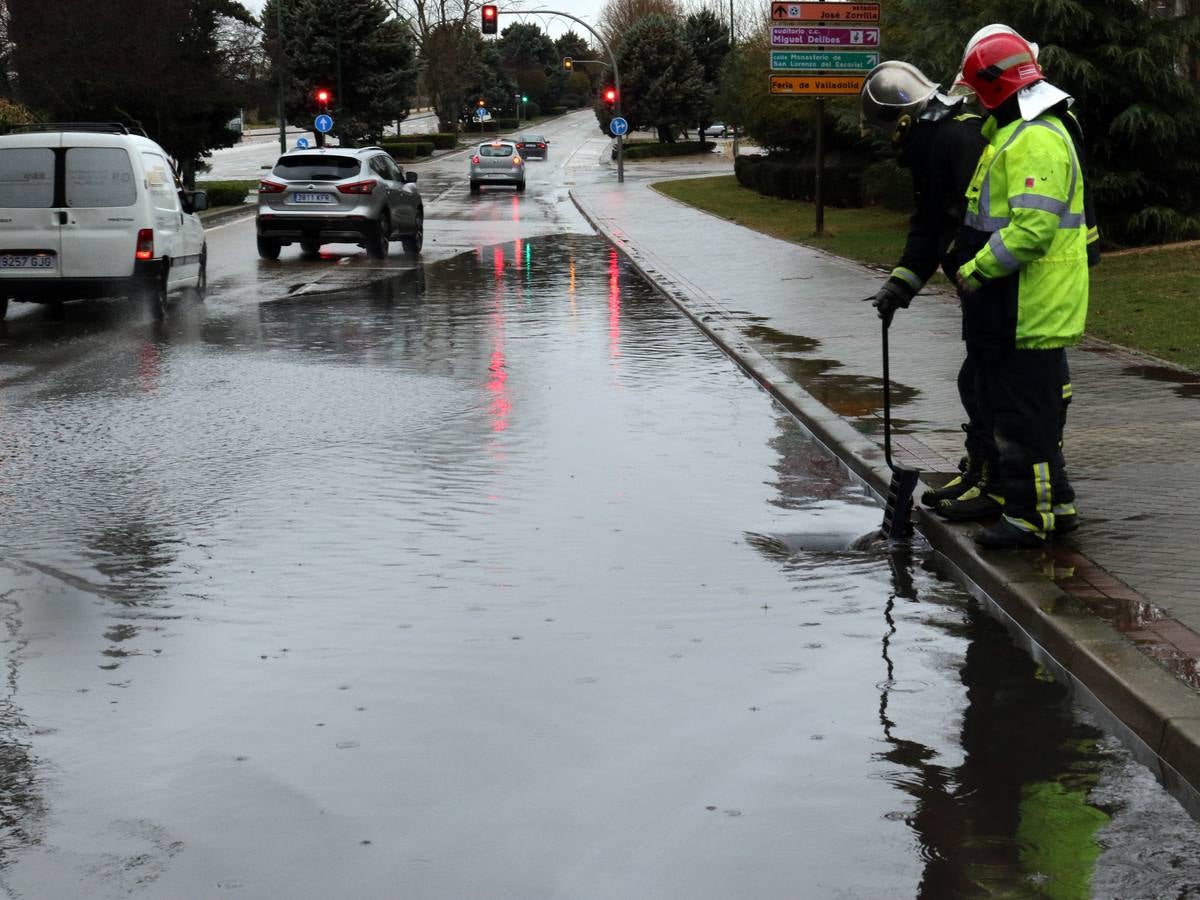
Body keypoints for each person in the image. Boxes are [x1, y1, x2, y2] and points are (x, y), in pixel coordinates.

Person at [950, 30, 1090, 549]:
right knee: (1021, 410)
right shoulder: (1017, 132)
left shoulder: (1034, 137)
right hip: (1016, 302)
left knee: (1024, 418)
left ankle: (1035, 519)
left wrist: (975, 270)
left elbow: (1031, 231)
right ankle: (1052, 505)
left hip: (1028, 304)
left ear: (991, 88)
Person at [858, 61, 991, 509]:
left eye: (885, 128)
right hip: (975, 282)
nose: (887, 138)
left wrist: (974, 269)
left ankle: (992, 479)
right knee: (976, 379)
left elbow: (973, 221)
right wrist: (900, 285)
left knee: (984, 381)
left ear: (903, 118)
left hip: (994, 282)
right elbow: (929, 225)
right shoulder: (931, 143)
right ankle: (980, 471)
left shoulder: (958, 139)